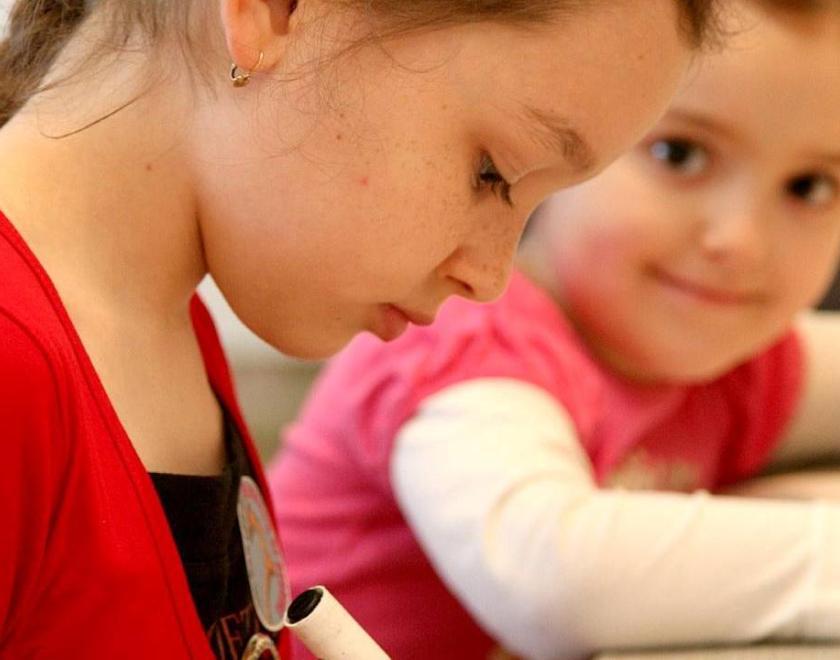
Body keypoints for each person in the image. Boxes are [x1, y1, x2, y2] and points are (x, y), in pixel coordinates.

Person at [0, 0, 719, 657]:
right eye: (492, 173)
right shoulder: (18, 367)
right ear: (276, 13)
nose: (491, 277)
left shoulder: (160, 327)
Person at [268, 1, 840, 658]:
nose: (741, 240)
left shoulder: (737, 364)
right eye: (679, 154)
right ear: (555, 156)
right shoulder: (468, 336)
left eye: (809, 187)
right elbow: (553, 578)